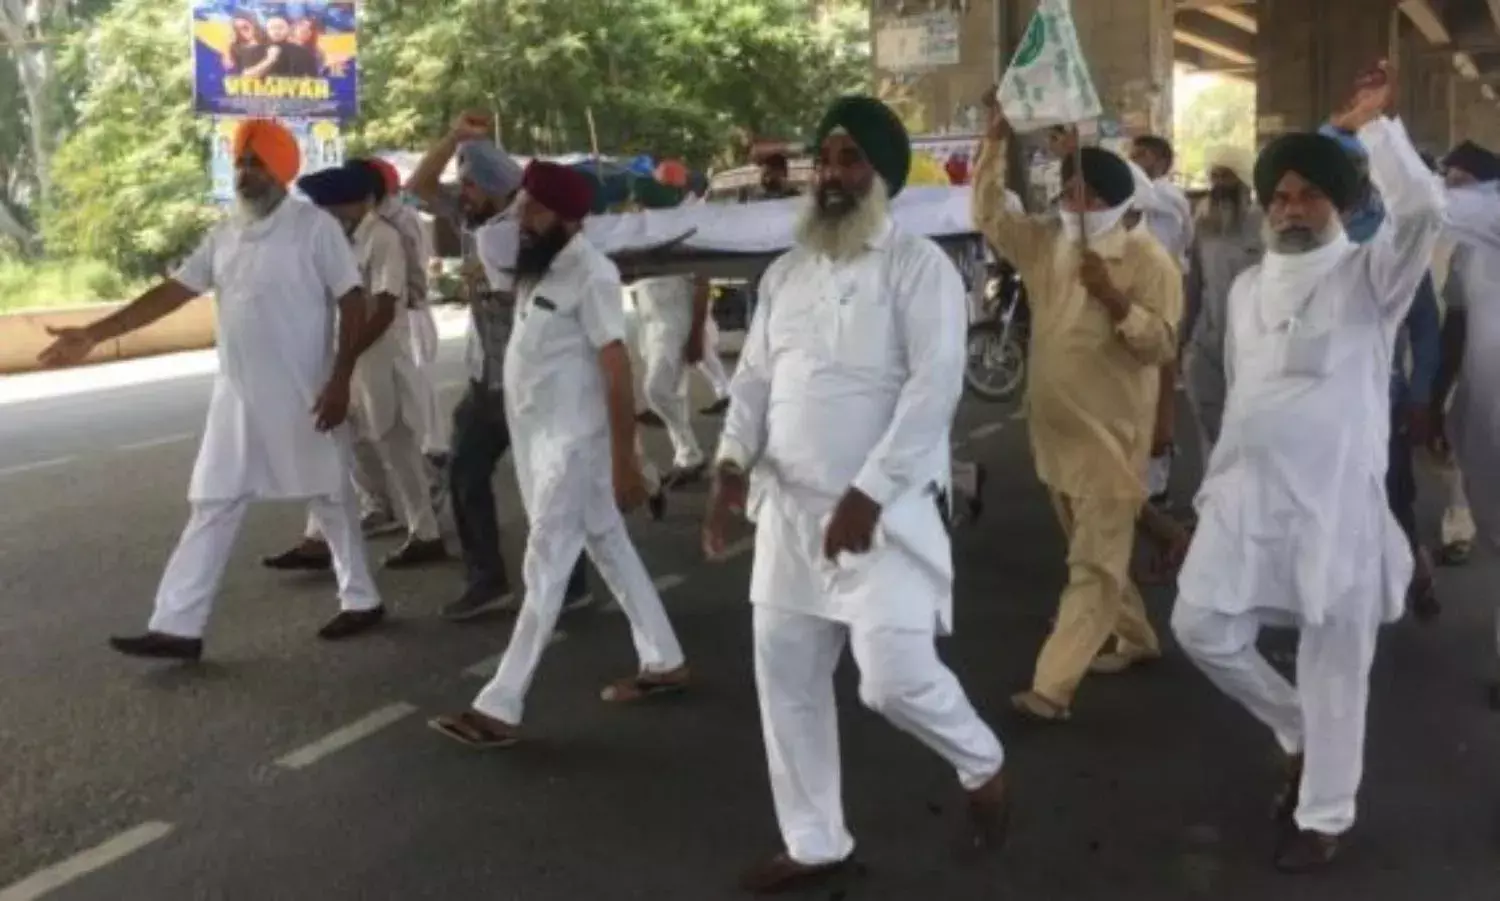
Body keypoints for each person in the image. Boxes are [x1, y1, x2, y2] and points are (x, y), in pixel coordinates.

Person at [706, 95, 1008, 895]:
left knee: (892, 677)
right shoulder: (784, 272)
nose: (833, 174)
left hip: (889, 514)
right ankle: (814, 840)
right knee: (788, 680)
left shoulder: (921, 268)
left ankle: (981, 761)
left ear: (882, 174)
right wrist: (731, 464)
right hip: (790, 516)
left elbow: (935, 387)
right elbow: (754, 380)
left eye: (851, 160)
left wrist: (869, 492)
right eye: (827, 158)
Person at [1171, 63, 1443, 872]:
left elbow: (1423, 208)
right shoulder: (1251, 285)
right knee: (1199, 626)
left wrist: (1370, 128)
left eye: (1309, 195)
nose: (1291, 208)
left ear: (1342, 204)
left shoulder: (1371, 279)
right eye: (1280, 197)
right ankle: (1293, 726)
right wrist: (1206, 491)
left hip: (1336, 509)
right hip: (1246, 497)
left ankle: (1326, 812)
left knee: (1336, 663)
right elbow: (1247, 394)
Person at [37, 119, 387, 659]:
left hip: (304, 393)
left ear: (283, 170)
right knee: (213, 502)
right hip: (238, 401)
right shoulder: (225, 234)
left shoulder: (313, 228)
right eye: (242, 163)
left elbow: (353, 301)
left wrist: (340, 379)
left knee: (330, 495)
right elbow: (172, 293)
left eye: (257, 163)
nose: (246, 173)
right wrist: (95, 334)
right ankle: (178, 626)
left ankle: (361, 599)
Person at [429, 161, 690, 748]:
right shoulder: (537, 270)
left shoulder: (591, 273)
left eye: (535, 209)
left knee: (543, 567)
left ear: (568, 217)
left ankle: (500, 704)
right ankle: (665, 659)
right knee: (610, 548)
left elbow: (618, 369)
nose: (523, 217)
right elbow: (482, 233)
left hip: (576, 447)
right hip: (542, 444)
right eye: (523, 205)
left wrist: (627, 460)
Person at [973, 94, 1183, 722]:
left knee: (1091, 563)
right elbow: (989, 215)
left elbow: (1163, 344)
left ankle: (1052, 688)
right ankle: (1138, 639)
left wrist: (1117, 302)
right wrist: (994, 142)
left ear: (1117, 204)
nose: (1072, 205)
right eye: (1067, 194)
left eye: (1087, 198)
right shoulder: (1048, 244)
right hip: (1056, 433)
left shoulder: (1149, 262)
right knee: (1090, 546)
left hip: (1111, 436)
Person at [405, 114, 598, 621]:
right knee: (466, 472)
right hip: (489, 381)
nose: (460, 191)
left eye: (471, 182)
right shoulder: (470, 222)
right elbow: (419, 185)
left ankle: (570, 582)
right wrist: (453, 139)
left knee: (550, 485)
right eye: (462, 182)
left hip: (538, 381)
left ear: (495, 186)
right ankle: (487, 581)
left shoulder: (529, 228)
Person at [263, 163, 448, 572]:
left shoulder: (384, 238)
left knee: (397, 446)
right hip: (346, 360)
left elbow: (383, 308)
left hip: (381, 358)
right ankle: (324, 535)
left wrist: (345, 360)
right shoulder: (337, 242)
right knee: (342, 445)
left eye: (337, 205)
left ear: (362, 201)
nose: (329, 213)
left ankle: (426, 532)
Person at [1319, 120, 1442, 619]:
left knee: (1391, 499)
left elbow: (1426, 329)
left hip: (1380, 405)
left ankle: (1416, 573)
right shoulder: (1304, 241)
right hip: (1320, 410)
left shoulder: (1391, 243)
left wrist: (1419, 396)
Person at [1430, 140, 1500, 570]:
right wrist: (1436, 394)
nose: (1451, 191)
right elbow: (1456, 317)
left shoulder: (1485, 214)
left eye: (1461, 183)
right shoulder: (1468, 248)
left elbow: (1427, 203)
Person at [365, 156, 450, 488]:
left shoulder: (402, 220)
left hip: (412, 312)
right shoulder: (382, 220)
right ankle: (427, 451)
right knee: (408, 386)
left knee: (415, 385)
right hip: (404, 312)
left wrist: (410, 299)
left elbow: (416, 265)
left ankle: (432, 454)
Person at [1184, 146, 1264, 460]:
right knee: (1211, 433)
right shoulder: (1203, 224)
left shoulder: (1265, 225)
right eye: (1215, 175)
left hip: (1253, 347)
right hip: (1207, 343)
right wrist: (1184, 338)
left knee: (1249, 435)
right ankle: (1215, 505)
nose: (1219, 184)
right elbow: (1194, 284)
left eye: (1227, 175)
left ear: (1244, 180)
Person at [1129, 135, 1194, 510]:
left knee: (1160, 393)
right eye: (1133, 154)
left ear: (1164, 162)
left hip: (1163, 302)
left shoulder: (1170, 199)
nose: (1136, 159)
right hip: (1131, 304)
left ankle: (1158, 481)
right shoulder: (1130, 203)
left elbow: (1183, 244)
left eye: (1145, 155)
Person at [629, 272, 711, 486]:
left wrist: (697, 333)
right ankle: (685, 459)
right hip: (648, 320)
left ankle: (691, 454)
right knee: (673, 393)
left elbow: (703, 282)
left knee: (656, 390)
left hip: (673, 318)